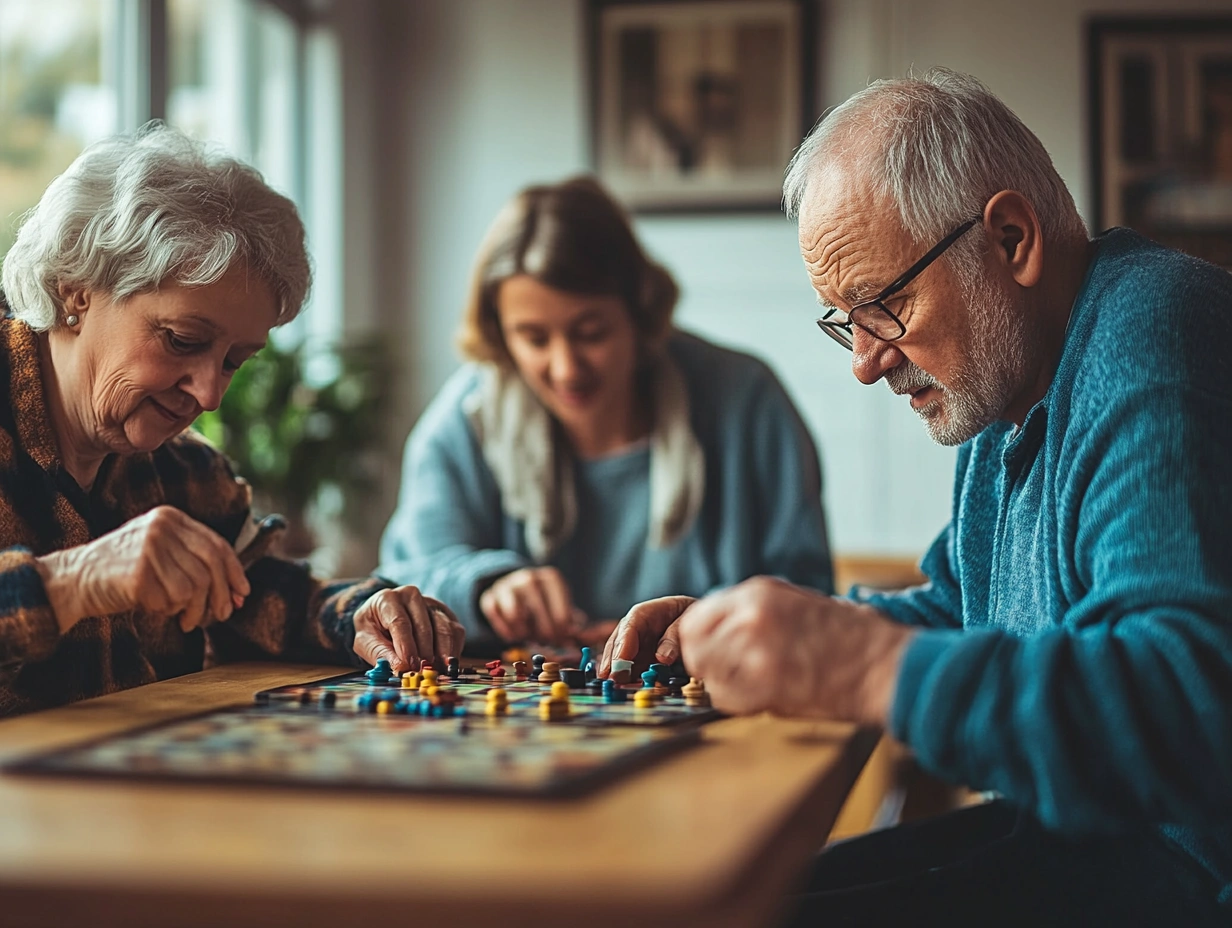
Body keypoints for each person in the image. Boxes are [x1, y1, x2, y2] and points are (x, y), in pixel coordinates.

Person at [600, 69, 1232, 926]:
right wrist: (762, 634)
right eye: (843, 320)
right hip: (1104, 842)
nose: (865, 359)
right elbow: (957, 607)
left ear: (1011, 238)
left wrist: (857, 666)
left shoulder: (1153, 338)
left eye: (885, 303)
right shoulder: (1010, 394)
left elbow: (1186, 701)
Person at [0, 123, 462, 716]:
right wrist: (74, 582)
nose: (210, 393)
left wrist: (358, 615)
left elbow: (258, 596)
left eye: (234, 361)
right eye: (182, 339)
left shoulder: (185, 469)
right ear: (76, 292)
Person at [378, 177, 831, 653]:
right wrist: (486, 585)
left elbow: (805, 594)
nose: (567, 369)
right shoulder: (463, 423)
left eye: (591, 332)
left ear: (640, 310)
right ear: (499, 335)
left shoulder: (747, 402)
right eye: (534, 338)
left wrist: (700, 631)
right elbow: (406, 577)